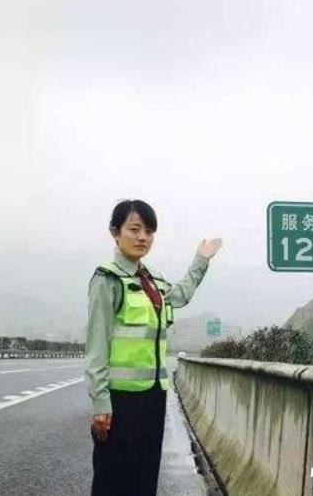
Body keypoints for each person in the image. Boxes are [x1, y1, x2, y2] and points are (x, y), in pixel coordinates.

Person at [85, 199, 222, 496]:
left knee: (145, 477)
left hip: (154, 397)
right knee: (113, 480)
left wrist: (200, 260)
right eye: (134, 229)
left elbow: (180, 295)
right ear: (115, 232)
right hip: (121, 401)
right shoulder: (108, 280)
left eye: (149, 231)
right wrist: (100, 403)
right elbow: (96, 345)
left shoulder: (152, 282)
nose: (142, 237)